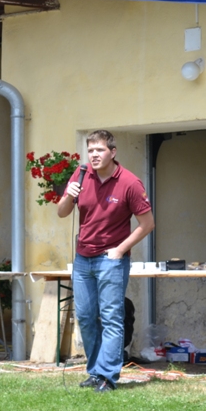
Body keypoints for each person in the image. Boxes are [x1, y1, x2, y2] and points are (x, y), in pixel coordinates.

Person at [57, 130, 154, 393]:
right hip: (83, 260)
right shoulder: (81, 175)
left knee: (111, 318)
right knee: (86, 317)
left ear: (112, 152)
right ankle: (95, 371)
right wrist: (68, 195)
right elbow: (62, 212)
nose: (94, 155)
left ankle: (108, 376)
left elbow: (147, 224)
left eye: (99, 150)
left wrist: (120, 250)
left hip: (110, 261)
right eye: (90, 150)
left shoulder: (130, 183)